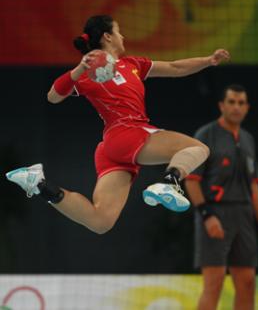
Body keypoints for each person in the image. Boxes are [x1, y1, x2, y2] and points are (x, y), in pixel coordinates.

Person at [5, 15, 230, 234]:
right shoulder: (88, 72)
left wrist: (208, 60)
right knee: (199, 149)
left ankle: (39, 184)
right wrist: (81, 68)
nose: (123, 36)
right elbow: (53, 96)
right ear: (108, 37)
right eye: (118, 31)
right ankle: (170, 183)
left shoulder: (133, 64)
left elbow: (175, 67)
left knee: (100, 221)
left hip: (112, 148)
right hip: (128, 132)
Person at [184, 84, 258, 310]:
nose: (236, 107)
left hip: (244, 216)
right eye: (232, 102)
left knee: (247, 282)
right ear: (221, 106)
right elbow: (191, 180)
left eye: (241, 103)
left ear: (247, 108)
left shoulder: (248, 139)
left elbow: (253, 186)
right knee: (213, 284)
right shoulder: (205, 135)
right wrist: (206, 216)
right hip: (215, 213)